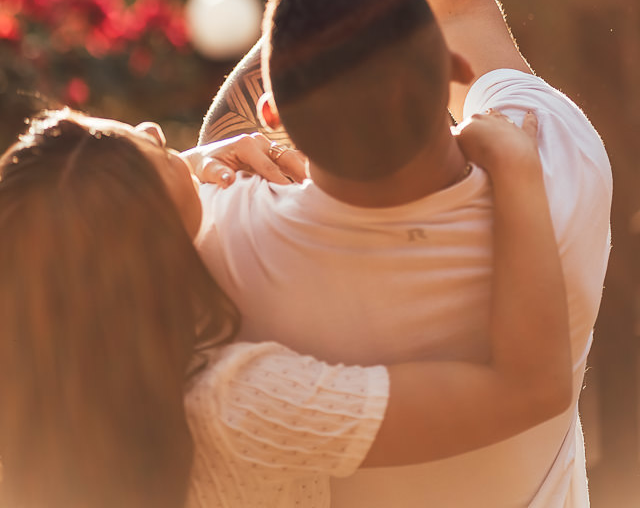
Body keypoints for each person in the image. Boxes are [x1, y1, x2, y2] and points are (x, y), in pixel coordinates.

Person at [196, 0, 612, 507]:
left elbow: (181, 165)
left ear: (272, 114)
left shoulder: (231, 242)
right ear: (452, 69)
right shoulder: (557, 166)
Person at [0, 102, 570, 508]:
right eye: (153, 150)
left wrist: (177, 168)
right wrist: (514, 161)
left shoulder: (46, 399)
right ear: (151, 252)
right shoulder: (236, 406)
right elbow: (529, 390)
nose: (152, 127)